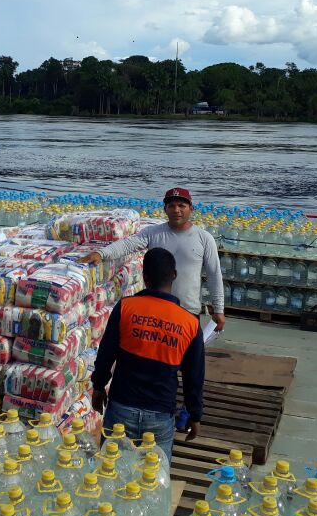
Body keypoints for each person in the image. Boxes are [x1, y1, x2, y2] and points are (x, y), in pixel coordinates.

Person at [91, 247, 205, 461]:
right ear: (174, 275)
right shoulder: (189, 323)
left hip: (121, 409)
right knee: (153, 478)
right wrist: (195, 414)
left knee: (111, 473)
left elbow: (106, 353)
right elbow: (194, 376)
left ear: (144, 277)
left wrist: (98, 386)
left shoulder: (126, 308)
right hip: (160, 415)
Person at [78, 187, 226, 330]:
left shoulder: (204, 238)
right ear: (165, 209)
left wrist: (219, 309)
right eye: (171, 206)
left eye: (182, 205)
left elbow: (214, 275)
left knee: (190, 354)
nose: (176, 210)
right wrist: (101, 254)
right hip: (156, 309)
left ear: (191, 208)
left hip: (188, 311)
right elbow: (128, 244)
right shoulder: (153, 233)